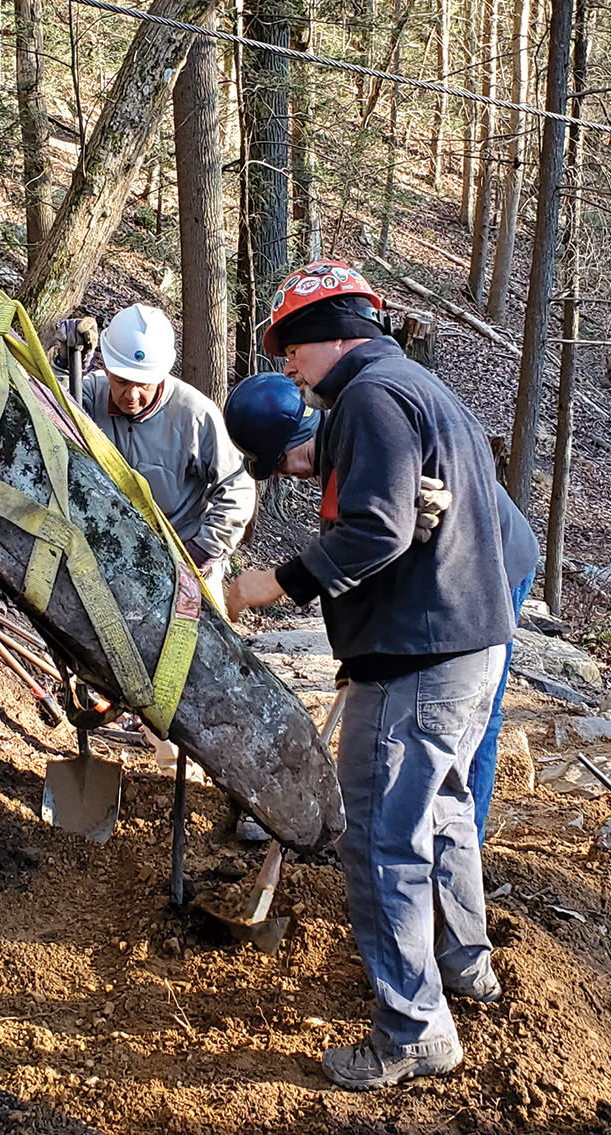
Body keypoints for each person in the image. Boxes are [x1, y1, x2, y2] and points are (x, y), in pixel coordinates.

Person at [226, 260, 516, 1092]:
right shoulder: (411, 385)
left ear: (332, 336)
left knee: (385, 841)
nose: (287, 367)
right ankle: (466, 965)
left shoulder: (369, 397)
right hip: (468, 646)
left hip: (414, 659)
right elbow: (396, 496)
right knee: (449, 808)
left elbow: (377, 530)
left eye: (292, 350)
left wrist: (268, 584)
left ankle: (413, 1028)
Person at [225, 372, 540, 846]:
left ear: (297, 438)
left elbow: (368, 541)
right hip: (441, 577)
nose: (287, 473)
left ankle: (457, 845)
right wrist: (356, 659)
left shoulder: (368, 430)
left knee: (473, 724)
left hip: (494, 565)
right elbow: (354, 559)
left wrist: (273, 585)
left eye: (281, 462)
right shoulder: (335, 449)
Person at [57, 303, 256, 611]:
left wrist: (199, 553)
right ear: (106, 368)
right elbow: (46, 406)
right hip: (107, 556)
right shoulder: (88, 394)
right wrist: (65, 364)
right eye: (122, 381)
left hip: (185, 558)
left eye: (143, 384)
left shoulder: (194, 415)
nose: (132, 396)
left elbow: (238, 488)